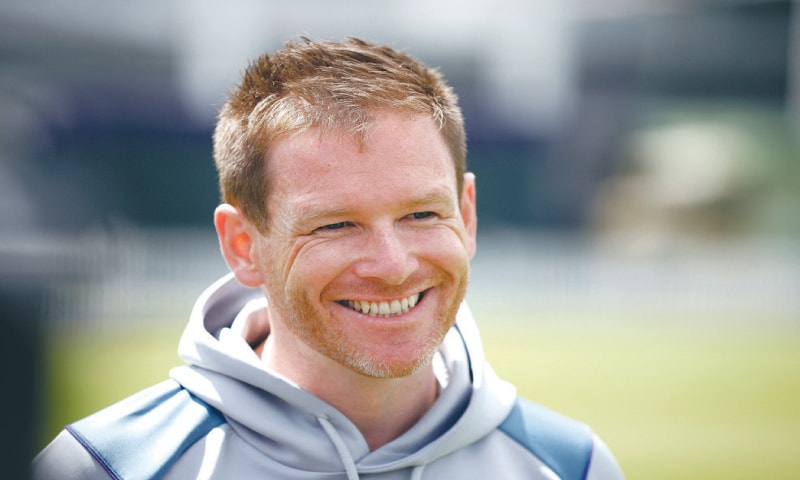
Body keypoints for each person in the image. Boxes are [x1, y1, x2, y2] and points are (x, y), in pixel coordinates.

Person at [33, 37, 624, 480]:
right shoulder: (104, 469)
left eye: (421, 214)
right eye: (336, 225)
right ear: (244, 246)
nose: (392, 265)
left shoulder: (571, 467)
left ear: (466, 216)